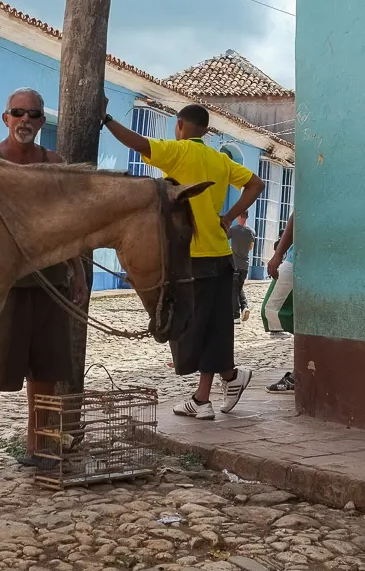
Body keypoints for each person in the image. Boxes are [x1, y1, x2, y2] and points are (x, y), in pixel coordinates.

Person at [102, 101, 265, 420]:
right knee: (215, 328)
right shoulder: (220, 160)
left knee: (189, 328)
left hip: (190, 257)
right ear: (205, 130)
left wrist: (106, 119)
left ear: (179, 125)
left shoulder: (177, 152)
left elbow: (138, 143)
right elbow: (256, 184)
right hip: (221, 255)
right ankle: (210, 393)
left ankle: (219, 386)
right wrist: (228, 216)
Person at [0, 88, 89, 483]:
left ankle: (38, 447)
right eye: (18, 113)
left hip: (49, 282)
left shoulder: (55, 165)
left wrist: (77, 271)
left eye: (33, 114)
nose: (25, 120)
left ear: (41, 121)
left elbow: (68, 223)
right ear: (5, 118)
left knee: (45, 369)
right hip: (0, 286)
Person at [263, 212, 295, 393]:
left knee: (271, 308)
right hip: (296, 257)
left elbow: (295, 217)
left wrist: (278, 255)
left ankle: (299, 374)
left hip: (298, 260)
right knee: (272, 310)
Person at [227, 212, 255, 323]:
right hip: (245, 265)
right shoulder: (252, 231)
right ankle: (244, 307)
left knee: (233, 290)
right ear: (247, 217)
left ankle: (236, 315)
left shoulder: (233, 230)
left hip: (235, 264)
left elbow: (223, 239)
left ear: (239, 217)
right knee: (239, 287)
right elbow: (250, 248)